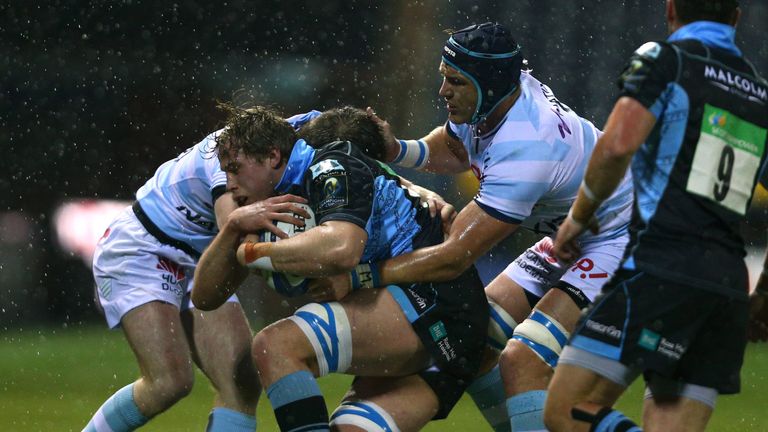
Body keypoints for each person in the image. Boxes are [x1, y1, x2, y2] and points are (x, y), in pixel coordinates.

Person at [317, 22, 635, 431]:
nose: (443, 92)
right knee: (477, 337)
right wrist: (397, 150)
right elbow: (454, 149)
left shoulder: (526, 148)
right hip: (573, 235)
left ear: (485, 82)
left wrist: (364, 274)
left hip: (623, 239)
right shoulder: (496, 96)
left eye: (455, 82)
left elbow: (452, 259)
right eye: (443, 78)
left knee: (523, 360)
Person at [191, 104, 490, 432]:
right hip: (435, 334)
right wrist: (233, 228)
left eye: (235, 169)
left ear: (273, 157)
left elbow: (342, 247)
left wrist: (254, 254)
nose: (229, 184)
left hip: (435, 301)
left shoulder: (328, 163)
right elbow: (205, 296)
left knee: (276, 346)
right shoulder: (264, 207)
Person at [544, 1, 768, 431]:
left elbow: (617, 144)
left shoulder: (668, 60)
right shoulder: (759, 94)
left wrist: (579, 214)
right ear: (736, 17)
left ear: (670, 10)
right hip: (725, 286)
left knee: (566, 410)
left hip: (661, 266)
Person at [85, 109, 316, 432]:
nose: (233, 180)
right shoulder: (224, 164)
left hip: (199, 255)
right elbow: (233, 231)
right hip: (142, 248)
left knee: (241, 382)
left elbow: (336, 124)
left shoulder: (290, 135)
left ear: (272, 153)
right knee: (168, 382)